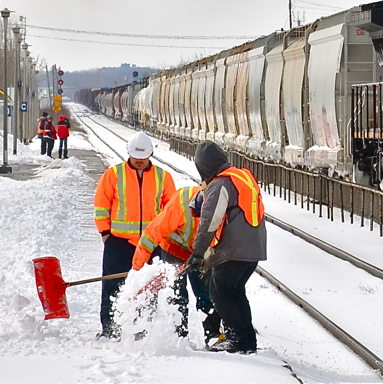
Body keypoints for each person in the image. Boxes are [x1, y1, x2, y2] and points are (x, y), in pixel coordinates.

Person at [185, 141, 266, 354]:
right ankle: (247, 341)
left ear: (203, 167)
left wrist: (197, 253)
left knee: (219, 291)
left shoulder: (220, 184)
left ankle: (235, 339)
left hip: (234, 251)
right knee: (235, 292)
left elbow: (210, 221)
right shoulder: (241, 177)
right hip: (253, 249)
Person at [94, 131, 176, 338]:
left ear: (150, 155)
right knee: (112, 285)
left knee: (148, 288)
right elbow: (101, 206)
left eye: (143, 158)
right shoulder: (113, 175)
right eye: (136, 158)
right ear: (129, 153)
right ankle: (110, 328)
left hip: (150, 244)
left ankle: (143, 327)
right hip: (119, 243)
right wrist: (105, 233)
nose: (139, 161)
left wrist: (164, 238)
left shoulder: (163, 177)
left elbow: (171, 210)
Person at [131, 185, 219, 339]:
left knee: (206, 293)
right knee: (177, 291)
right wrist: (138, 267)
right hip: (173, 248)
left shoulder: (220, 209)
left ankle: (212, 334)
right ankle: (179, 333)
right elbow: (151, 234)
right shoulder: (179, 206)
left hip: (201, 253)